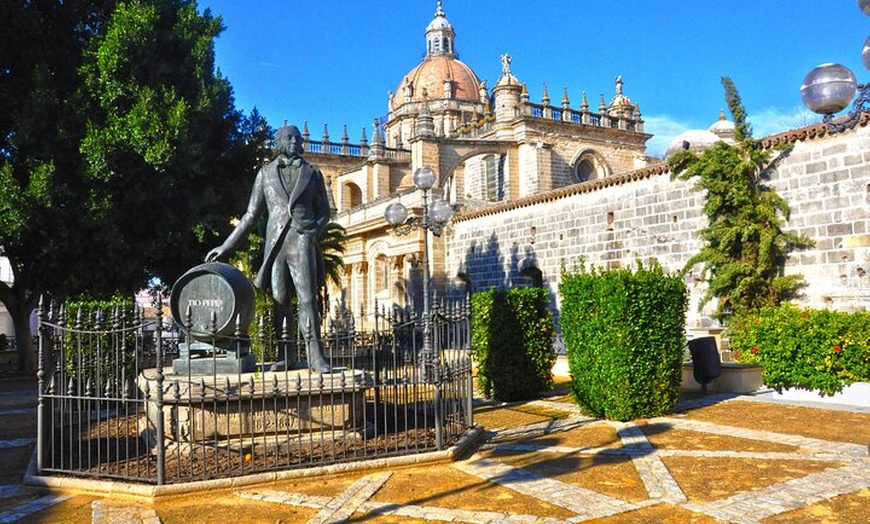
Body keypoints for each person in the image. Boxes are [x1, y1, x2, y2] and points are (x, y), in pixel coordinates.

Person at [206, 125, 332, 372]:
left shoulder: (313, 173)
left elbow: (324, 212)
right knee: (280, 299)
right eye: (289, 137)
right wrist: (226, 246)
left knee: (307, 299)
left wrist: (312, 233)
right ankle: (287, 356)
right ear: (279, 143)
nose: (295, 141)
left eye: (297, 137)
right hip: (275, 245)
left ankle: (316, 356)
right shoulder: (265, 174)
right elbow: (251, 215)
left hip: (302, 240)